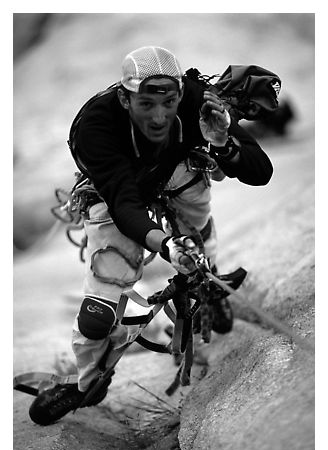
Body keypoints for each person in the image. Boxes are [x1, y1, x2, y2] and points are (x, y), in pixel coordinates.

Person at [29, 46, 274, 426]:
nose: (159, 117)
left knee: (192, 191)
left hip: (175, 171)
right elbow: (125, 205)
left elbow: (260, 171)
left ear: (180, 94)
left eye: (169, 102)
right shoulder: (96, 127)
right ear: (125, 99)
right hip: (116, 192)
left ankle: (204, 276)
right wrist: (165, 244)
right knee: (98, 314)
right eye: (146, 104)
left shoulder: (196, 103)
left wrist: (224, 143)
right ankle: (87, 383)